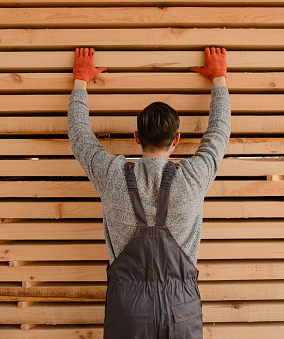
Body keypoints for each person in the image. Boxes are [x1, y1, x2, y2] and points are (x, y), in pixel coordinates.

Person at [68, 47, 231, 339]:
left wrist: (80, 81)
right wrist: (218, 79)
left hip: (128, 313)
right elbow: (218, 134)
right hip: (181, 310)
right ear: (177, 140)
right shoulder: (194, 177)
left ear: (136, 137)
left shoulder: (111, 175)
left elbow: (80, 138)